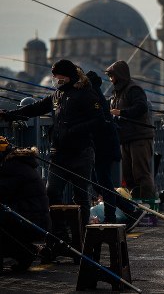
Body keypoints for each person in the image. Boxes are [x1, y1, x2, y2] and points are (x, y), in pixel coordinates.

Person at [0, 60, 102, 241]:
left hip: (81, 153)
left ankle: (81, 238)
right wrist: (9, 115)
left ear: (68, 76)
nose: (55, 79)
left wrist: (73, 130)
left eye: (58, 76)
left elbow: (98, 120)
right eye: (54, 76)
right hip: (59, 154)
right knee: (52, 192)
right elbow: (36, 107)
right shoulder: (57, 95)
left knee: (81, 197)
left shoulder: (85, 93)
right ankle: (59, 235)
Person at [106, 60, 156, 199]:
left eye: (112, 76)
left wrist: (121, 112)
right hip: (126, 138)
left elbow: (141, 107)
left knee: (141, 173)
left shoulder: (133, 89)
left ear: (119, 75)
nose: (111, 79)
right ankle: (135, 203)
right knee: (128, 175)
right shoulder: (117, 92)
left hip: (139, 137)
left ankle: (147, 203)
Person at [0, 143, 51, 272]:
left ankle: (26, 252)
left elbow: (2, 193)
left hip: (29, 220)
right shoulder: (20, 164)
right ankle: (26, 252)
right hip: (36, 219)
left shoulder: (11, 168)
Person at [86, 70, 122, 225]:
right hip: (104, 147)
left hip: (103, 148)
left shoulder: (93, 97)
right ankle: (127, 208)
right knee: (99, 182)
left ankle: (111, 216)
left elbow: (98, 123)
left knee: (103, 183)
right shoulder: (97, 94)